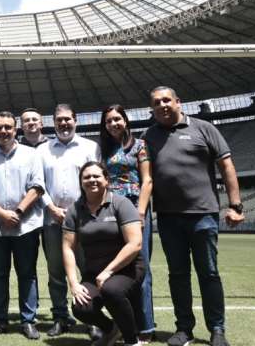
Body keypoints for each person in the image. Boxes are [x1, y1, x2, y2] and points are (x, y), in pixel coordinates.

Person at [142, 86, 244, 346]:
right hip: (167, 217)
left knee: (208, 273)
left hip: (203, 215)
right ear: (151, 109)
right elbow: (146, 177)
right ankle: (184, 329)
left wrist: (236, 206)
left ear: (178, 102)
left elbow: (227, 165)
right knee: (177, 275)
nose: (162, 105)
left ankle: (217, 330)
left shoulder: (204, 128)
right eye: (156, 103)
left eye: (167, 100)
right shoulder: (149, 136)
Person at [0, 111, 45, 340]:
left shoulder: (31, 155)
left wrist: (18, 212)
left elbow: (37, 187)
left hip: (27, 226)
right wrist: (2, 214)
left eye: (8, 127)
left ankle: (28, 320)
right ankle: (0, 321)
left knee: (27, 274)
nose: (3, 131)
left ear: (16, 130)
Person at [36, 104, 101, 337]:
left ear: (76, 120)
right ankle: (60, 317)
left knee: (88, 271)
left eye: (67, 119)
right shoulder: (42, 150)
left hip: (83, 221)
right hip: (52, 220)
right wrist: (51, 208)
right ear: (53, 123)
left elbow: (97, 181)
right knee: (55, 272)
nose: (63, 124)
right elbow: (38, 184)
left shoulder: (90, 147)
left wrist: (79, 210)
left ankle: (93, 320)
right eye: (59, 120)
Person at [63, 162, 144, 346]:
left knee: (111, 290)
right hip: (94, 272)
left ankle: (132, 341)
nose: (92, 180)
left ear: (106, 180)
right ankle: (111, 330)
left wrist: (108, 271)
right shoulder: (75, 210)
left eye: (96, 176)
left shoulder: (121, 203)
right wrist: (74, 283)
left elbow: (135, 243)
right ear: (81, 182)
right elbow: (68, 248)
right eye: (86, 177)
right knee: (81, 307)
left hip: (127, 268)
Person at [100, 104, 156, 342]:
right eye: (109, 121)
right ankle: (126, 325)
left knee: (140, 268)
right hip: (112, 209)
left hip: (134, 208)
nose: (114, 124)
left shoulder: (140, 145)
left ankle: (146, 327)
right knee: (121, 268)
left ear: (126, 120)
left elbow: (147, 181)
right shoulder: (104, 148)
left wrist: (141, 213)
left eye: (117, 119)